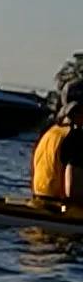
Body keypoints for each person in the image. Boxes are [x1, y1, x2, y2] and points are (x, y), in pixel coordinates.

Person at [34, 74, 81, 210]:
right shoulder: (77, 138)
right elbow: (73, 193)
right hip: (62, 212)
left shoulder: (51, 132)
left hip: (40, 204)